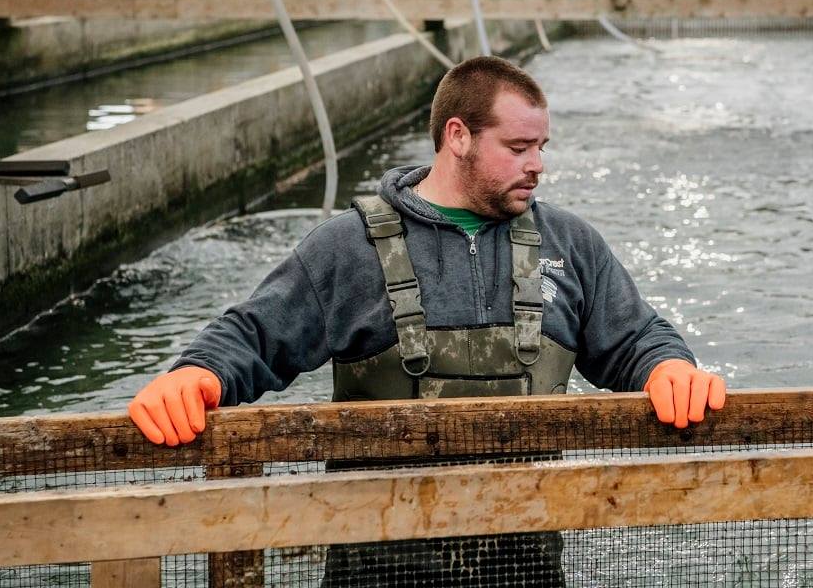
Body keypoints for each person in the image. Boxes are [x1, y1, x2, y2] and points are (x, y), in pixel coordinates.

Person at [128, 56, 726, 585]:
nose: (537, 165)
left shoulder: (568, 243)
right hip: (375, 567)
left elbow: (636, 337)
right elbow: (252, 335)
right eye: (518, 149)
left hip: (526, 566)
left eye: (542, 147)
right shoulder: (349, 247)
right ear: (457, 136)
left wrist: (669, 367)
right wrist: (198, 373)